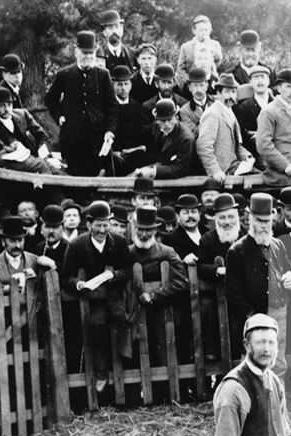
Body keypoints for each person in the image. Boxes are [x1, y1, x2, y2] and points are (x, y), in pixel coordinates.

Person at [60, 201, 134, 392]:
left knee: (125, 324)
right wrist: (78, 283)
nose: (102, 229)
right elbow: (66, 275)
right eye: (98, 225)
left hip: (116, 296)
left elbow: (128, 269)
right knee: (97, 325)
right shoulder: (77, 245)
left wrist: (115, 275)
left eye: (105, 224)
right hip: (91, 301)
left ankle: (126, 370)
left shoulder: (118, 241)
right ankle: (101, 371)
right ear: (89, 224)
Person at [225, 193, 291, 377]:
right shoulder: (237, 251)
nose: (264, 225)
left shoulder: (278, 245)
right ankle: (255, 404)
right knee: (255, 363)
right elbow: (233, 292)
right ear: (250, 218)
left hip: (279, 311)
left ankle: (276, 403)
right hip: (255, 315)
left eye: (268, 220)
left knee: (278, 362)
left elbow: (289, 269)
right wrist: (251, 319)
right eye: (259, 220)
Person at [46, 31, 118, 176]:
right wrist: (59, 116)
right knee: (74, 173)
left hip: (97, 136)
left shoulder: (103, 75)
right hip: (72, 136)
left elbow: (112, 106)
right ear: (76, 52)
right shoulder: (64, 74)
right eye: (84, 53)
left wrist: (110, 131)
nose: (88, 56)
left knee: (98, 172)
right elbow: (50, 99)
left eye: (91, 53)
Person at [128, 206, 189, 368]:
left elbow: (181, 281)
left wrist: (155, 295)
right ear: (135, 228)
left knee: (163, 354)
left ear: (155, 231)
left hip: (162, 312)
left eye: (148, 230)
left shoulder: (167, 253)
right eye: (140, 229)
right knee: (136, 355)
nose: (143, 234)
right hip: (135, 313)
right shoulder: (128, 253)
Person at [197, 74, 254, 182]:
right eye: (227, 92)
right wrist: (215, 171)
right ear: (218, 94)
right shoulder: (213, 113)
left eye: (233, 92)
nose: (231, 96)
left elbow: (236, 144)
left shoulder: (229, 111)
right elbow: (203, 146)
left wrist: (247, 157)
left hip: (235, 167)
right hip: (223, 172)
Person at [0, 87, 57, 173]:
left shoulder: (22, 114)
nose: (7, 109)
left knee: (61, 175)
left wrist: (43, 153)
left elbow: (42, 136)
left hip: (37, 158)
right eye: (2, 105)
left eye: (9, 104)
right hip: (16, 166)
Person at [135, 98, 194, 180]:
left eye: (169, 119)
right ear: (157, 120)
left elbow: (181, 169)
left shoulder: (185, 138)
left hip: (182, 180)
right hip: (162, 168)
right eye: (163, 120)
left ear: (176, 117)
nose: (166, 124)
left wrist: (153, 171)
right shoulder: (157, 128)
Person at [0, 215, 53, 285]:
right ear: (3, 242)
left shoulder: (36, 261)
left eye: (20, 240)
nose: (17, 245)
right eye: (12, 241)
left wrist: (35, 279)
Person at [234, 65, 271, 158]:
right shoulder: (244, 107)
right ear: (250, 82)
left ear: (268, 81)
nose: (259, 81)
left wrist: (261, 135)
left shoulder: (277, 104)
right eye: (255, 78)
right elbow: (243, 135)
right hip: (255, 154)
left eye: (262, 77)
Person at [177, 15, 223, 86]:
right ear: (194, 31)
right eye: (201, 30)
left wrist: (210, 46)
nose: (204, 33)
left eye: (206, 30)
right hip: (191, 82)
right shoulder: (186, 47)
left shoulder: (215, 44)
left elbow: (219, 59)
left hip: (210, 82)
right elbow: (180, 68)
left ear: (210, 31)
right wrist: (188, 81)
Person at [229, 30, 271, 99]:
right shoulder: (231, 75)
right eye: (247, 50)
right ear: (239, 49)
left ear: (259, 48)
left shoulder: (270, 73)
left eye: (253, 50)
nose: (250, 54)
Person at [178, 67, 215, 140]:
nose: (198, 90)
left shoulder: (217, 102)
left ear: (206, 86)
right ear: (190, 88)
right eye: (195, 85)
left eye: (201, 85)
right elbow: (194, 133)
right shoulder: (185, 111)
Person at [100, 9, 136, 75]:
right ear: (104, 32)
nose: (114, 31)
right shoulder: (99, 54)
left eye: (117, 26)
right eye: (110, 27)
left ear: (122, 28)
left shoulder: (132, 54)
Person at [39, 204, 69, 269]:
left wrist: (53, 264)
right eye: (47, 226)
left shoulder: (70, 249)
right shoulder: (38, 248)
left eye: (55, 227)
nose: (51, 231)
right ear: (41, 228)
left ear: (63, 228)